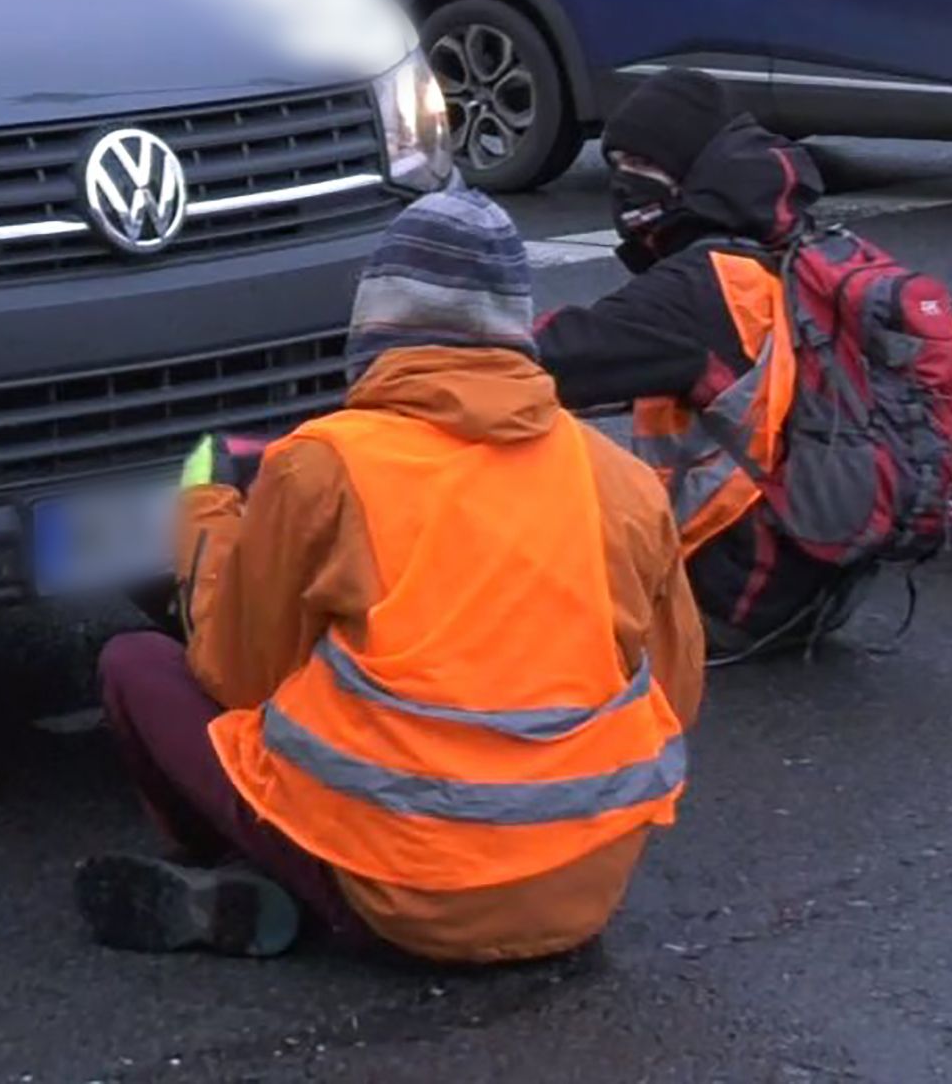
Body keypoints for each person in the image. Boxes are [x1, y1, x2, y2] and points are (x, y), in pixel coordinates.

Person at [80, 189, 701, 963]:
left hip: (404, 900)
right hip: (583, 890)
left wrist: (205, 508)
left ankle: (268, 876)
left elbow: (239, 673)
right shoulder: (619, 479)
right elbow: (674, 694)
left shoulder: (327, 463)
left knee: (136, 666)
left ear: (376, 323)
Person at [529, 71, 863, 654]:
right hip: (821, 575)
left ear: (686, 170)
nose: (622, 184)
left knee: (515, 429)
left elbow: (552, 357)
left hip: (731, 592)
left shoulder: (702, 286)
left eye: (636, 163)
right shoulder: (808, 247)